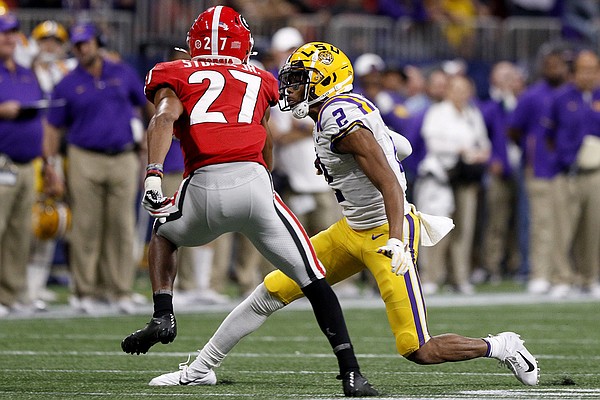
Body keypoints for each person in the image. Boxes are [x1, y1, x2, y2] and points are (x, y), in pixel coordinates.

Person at [146, 41, 539, 391]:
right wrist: (350, 160)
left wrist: (399, 238)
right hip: (352, 229)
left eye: (301, 80)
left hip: (387, 233)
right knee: (271, 291)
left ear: (325, 81)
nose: (291, 88)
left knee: (417, 348)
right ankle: (201, 368)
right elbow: (397, 145)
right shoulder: (341, 109)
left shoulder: (338, 115)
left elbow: (389, 181)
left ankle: (501, 345)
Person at [120, 7, 377, 397]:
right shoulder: (259, 77)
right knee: (314, 280)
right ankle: (351, 373)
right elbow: (264, 136)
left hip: (203, 184)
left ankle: (163, 315)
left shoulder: (174, 71)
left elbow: (163, 119)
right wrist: (267, 184)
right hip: (255, 185)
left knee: (164, 233)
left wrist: (154, 174)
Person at [44, 22, 149, 314]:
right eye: (77, 44)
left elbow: (145, 106)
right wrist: (51, 164)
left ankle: (120, 291)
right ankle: (84, 291)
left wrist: (146, 142)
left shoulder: (122, 72)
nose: (81, 49)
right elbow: (53, 128)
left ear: (97, 43)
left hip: (123, 156)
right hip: (84, 156)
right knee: (87, 227)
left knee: (122, 226)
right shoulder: (66, 82)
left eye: (85, 43)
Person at [415, 74, 491, 295]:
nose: (461, 94)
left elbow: (484, 143)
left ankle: (460, 277)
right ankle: (431, 276)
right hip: (441, 177)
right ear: (448, 91)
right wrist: (460, 149)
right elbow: (432, 141)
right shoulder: (437, 112)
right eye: (456, 89)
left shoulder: (472, 113)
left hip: (466, 177)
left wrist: (480, 154)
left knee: (464, 228)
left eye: (465, 89)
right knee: (437, 227)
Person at [508, 44, 571, 295]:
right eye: (550, 64)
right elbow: (513, 129)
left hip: (567, 169)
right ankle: (540, 273)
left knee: (565, 225)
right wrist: (531, 150)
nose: (554, 69)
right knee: (540, 223)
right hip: (540, 167)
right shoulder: (532, 96)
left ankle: (564, 274)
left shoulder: (572, 95)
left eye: (559, 64)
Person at [0, 11, 49, 317]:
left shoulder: (26, 72)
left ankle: (11, 294)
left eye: (12, 33)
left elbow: (42, 117)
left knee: (20, 233)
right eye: (4, 33)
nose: (9, 38)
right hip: (1, 161)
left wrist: (48, 163)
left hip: (28, 163)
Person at [544, 49, 600, 298]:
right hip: (568, 173)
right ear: (574, 72)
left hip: (595, 172)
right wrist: (558, 162)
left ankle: (590, 278)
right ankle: (562, 278)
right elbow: (547, 136)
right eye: (583, 69)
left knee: (593, 229)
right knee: (562, 228)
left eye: (593, 69)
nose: (588, 75)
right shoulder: (561, 98)